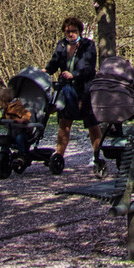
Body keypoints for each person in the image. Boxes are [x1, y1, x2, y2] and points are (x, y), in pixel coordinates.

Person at [46, 16, 100, 166]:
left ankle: (96, 155)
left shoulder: (88, 45)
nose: (70, 34)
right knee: (64, 122)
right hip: (67, 90)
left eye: (73, 31)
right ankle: (59, 156)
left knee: (91, 123)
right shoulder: (62, 45)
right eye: (67, 31)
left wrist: (74, 74)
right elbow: (54, 62)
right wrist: (45, 71)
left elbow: (89, 67)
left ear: (80, 31)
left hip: (84, 89)